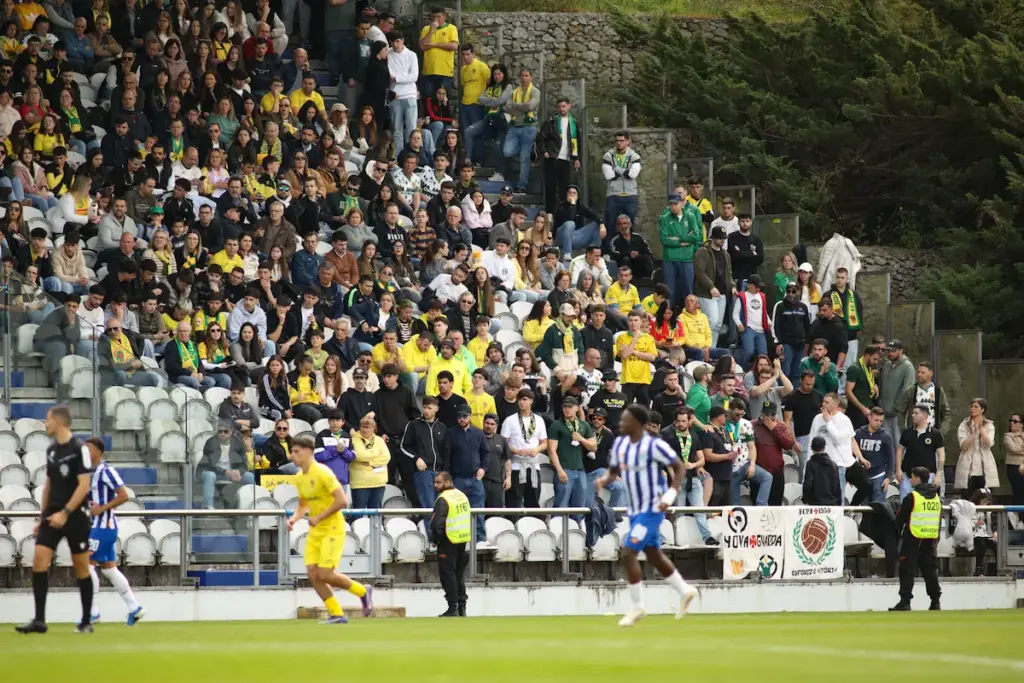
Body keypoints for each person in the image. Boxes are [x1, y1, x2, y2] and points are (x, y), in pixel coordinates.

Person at [595, 404, 699, 627]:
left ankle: (638, 606)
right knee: (652, 554)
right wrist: (605, 480)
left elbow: (679, 467)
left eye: (626, 419)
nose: (621, 423)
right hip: (635, 510)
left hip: (652, 508)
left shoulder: (654, 445)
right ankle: (685, 590)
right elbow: (614, 469)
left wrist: (670, 494)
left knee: (628, 551)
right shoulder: (621, 443)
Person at [16, 406, 95, 634]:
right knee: (40, 560)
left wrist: (66, 513)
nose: (45, 424)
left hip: (76, 515)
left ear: (59, 422)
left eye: (48, 420)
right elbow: (49, 486)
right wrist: (43, 517)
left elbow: (84, 486)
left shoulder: (80, 449)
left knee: (81, 567)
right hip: (53, 514)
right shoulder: (51, 451)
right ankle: (40, 620)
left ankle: (86, 621)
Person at [286, 435, 373, 624]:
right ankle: (336, 613)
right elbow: (303, 505)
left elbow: (342, 501)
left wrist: (318, 516)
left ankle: (363, 591)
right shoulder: (299, 477)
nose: (292, 455)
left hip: (332, 527)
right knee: (312, 573)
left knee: (325, 574)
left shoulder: (323, 473)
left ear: (308, 452)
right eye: (292, 451)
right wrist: (294, 518)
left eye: (296, 451)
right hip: (316, 530)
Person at [84, 436, 144, 626]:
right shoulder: (89, 472)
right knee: (109, 570)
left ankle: (92, 613)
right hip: (99, 526)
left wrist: (102, 508)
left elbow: (124, 495)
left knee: (86, 565)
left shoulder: (106, 471)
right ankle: (134, 607)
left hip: (103, 527)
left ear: (98, 452)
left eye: (89, 449)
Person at [890, 466, 942, 611]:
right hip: (930, 540)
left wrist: (899, 532)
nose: (911, 480)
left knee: (907, 571)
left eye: (912, 477)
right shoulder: (936, 497)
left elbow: (900, 518)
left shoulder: (912, 497)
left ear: (918, 479)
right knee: (930, 572)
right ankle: (935, 601)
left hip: (913, 538)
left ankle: (905, 602)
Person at [438, 403, 488, 544]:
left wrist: (483, 468)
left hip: (475, 478)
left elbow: (485, 453)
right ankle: (458, 539)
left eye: (464, 416)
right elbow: (447, 457)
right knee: (456, 512)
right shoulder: (451, 433)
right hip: (457, 479)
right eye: (459, 416)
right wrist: (449, 479)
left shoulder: (479, 433)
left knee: (478, 510)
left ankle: (480, 539)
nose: (462, 419)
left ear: (470, 416)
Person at [431, 471, 471, 617]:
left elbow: (437, 524)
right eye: (435, 482)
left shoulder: (443, 499)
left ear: (448, 482)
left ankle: (452, 607)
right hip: (462, 540)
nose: (435, 485)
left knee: (448, 575)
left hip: (448, 541)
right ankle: (462, 607)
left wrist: (435, 540)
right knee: (458, 575)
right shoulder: (461, 495)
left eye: (439, 482)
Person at [808, 392, 859, 502]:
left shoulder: (844, 420)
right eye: (823, 401)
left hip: (837, 465)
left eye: (827, 402)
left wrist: (829, 422)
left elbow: (838, 440)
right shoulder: (817, 418)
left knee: (837, 499)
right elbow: (811, 443)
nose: (823, 404)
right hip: (818, 465)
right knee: (819, 498)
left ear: (835, 405)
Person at [658, 193, 702, 307]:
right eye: (671, 204)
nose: (673, 207)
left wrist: (678, 238)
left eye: (675, 204)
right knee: (669, 291)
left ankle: (688, 318)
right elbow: (664, 240)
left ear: (682, 203)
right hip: (670, 259)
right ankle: (668, 317)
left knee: (687, 290)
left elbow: (697, 236)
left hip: (687, 258)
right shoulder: (664, 218)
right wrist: (685, 241)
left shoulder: (690, 216)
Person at [896, 405, 946, 499]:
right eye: (912, 413)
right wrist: (898, 470)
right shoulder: (907, 432)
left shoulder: (935, 434)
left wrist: (938, 474)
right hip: (908, 475)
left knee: (926, 501)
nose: (912, 415)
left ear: (925, 415)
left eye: (916, 413)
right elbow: (899, 450)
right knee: (905, 502)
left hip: (928, 476)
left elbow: (941, 455)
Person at [955, 398, 999, 496]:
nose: (972, 409)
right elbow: (963, 446)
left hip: (984, 467)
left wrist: (981, 429)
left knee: (985, 499)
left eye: (976, 407)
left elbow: (989, 444)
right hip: (968, 467)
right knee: (967, 497)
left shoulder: (989, 425)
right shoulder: (964, 425)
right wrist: (973, 433)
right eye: (971, 406)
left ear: (982, 409)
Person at [616, 310, 658, 406]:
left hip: (644, 380)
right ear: (627, 322)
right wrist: (635, 339)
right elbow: (624, 355)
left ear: (641, 322)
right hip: (628, 380)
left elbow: (652, 357)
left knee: (644, 411)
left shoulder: (649, 338)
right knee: (627, 410)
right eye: (630, 320)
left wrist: (633, 351)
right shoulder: (621, 337)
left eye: (636, 320)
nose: (633, 323)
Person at [855, 407, 896, 503]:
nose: (878, 423)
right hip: (862, 475)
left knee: (878, 507)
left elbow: (891, 458)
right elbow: (851, 454)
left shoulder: (886, 436)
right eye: (876, 420)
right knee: (863, 506)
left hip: (879, 475)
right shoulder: (858, 434)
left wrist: (888, 477)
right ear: (869, 417)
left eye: (881, 421)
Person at [879, 339, 915, 443]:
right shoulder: (886, 365)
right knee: (887, 443)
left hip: (898, 414)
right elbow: (882, 386)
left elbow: (907, 390)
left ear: (901, 351)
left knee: (899, 443)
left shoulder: (907, 367)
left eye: (893, 351)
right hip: (884, 413)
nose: (890, 353)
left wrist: (897, 407)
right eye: (889, 351)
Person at [844, 344, 881, 429]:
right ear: (867, 355)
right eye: (874, 359)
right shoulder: (854, 369)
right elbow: (848, 391)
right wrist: (862, 408)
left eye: (877, 360)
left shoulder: (869, 368)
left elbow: (867, 380)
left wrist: (874, 385)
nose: (876, 362)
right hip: (857, 412)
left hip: (868, 410)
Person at [802, 436, 841, 506]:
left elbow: (808, 484)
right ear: (824, 447)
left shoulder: (810, 464)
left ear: (811, 448)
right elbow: (837, 485)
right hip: (831, 503)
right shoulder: (833, 464)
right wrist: (839, 502)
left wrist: (805, 499)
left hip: (815, 503)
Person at [1005, 413, 1024, 506]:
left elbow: (1017, 449)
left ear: (1022, 424)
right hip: (1014, 466)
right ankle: (1017, 516)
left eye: (1015, 421)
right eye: (1010, 421)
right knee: (1018, 492)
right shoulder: (1008, 436)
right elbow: (1013, 449)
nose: (1012, 423)